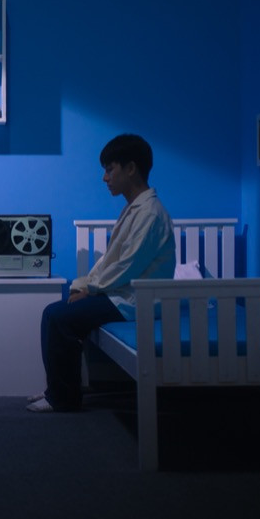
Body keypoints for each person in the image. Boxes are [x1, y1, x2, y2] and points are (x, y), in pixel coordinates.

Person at [27, 133, 175, 413]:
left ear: (130, 168)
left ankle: (63, 398)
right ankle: (56, 390)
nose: (105, 178)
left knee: (57, 317)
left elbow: (128, 264)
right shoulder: (134, 209)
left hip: (135, 301)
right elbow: (110, 260)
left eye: (109, 169)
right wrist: (85, 284)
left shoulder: (150, 214)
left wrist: (91, 290)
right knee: (55, 312)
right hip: (122, 294)